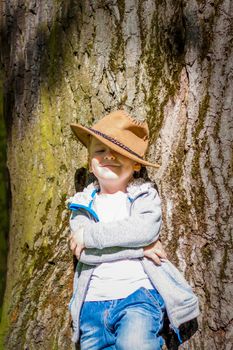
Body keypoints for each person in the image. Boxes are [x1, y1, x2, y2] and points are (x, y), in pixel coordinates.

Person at [67, 110, 199, 350]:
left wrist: (91, 236)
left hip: (137, 298)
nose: (108, 156)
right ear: (90, 161)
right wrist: (139, 250)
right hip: (91, 307)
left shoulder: (143, 195)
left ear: (136, 163)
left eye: (119, 152)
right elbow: (84, 254)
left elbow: (143, 230)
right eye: (99, 151)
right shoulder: (81, 204)